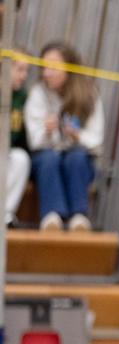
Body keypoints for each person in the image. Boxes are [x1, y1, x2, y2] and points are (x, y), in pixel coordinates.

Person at [24, 41, 104, 232]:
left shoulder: (88, 94)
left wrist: (77, 136)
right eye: (44, 67)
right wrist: (47, 130)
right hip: (46, 159)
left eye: (53, 67)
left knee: (76, 157)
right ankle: (52, 216)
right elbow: (33, 141)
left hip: (77, 159)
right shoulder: (38, 93)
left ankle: (79, 215)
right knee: (49, 159)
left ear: (69, 68)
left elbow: (96, 140)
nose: (46, 73)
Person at [5, 54, 30, 227]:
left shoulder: (23, 97)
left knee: (21, 158)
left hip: (7, 154)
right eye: (20, 69)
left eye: (27, 70)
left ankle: (5, 215)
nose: (24, 75)